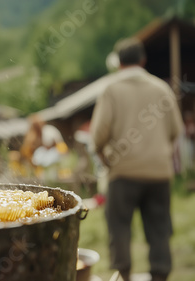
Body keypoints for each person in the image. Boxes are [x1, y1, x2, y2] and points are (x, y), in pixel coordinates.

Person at [90, 37, 183, 281]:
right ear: (143, 60)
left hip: (123, 173)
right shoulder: (161, 89)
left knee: (119, 226)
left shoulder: (112, 89)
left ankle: (125, 274)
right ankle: (160, 275)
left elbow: (98, 135)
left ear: (119, 63)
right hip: (159, 174)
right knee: (159, 228)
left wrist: (104, 158)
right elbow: (176, 132)